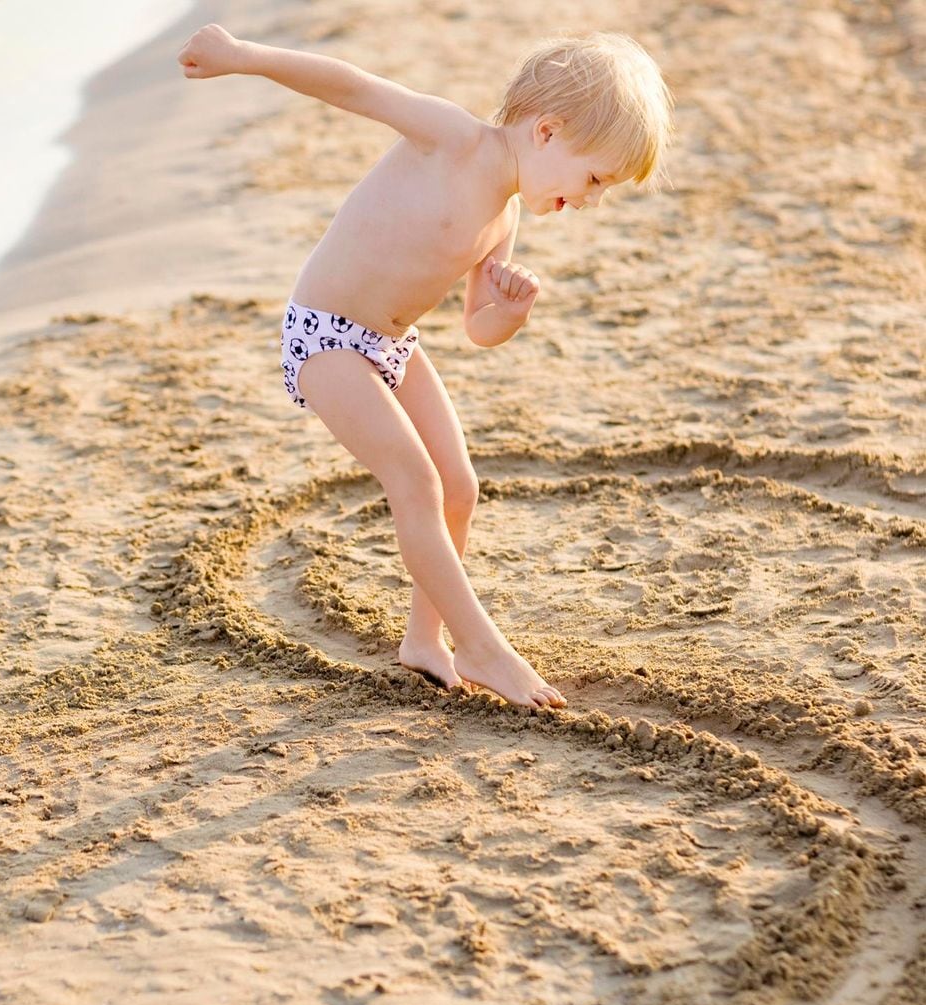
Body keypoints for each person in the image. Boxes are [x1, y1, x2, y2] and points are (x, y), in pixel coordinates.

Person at [178, 25, 674, 708]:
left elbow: (476, 329)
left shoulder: (502, 221)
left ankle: (424, 639)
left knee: (458, 487)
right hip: (324, 337)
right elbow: (353, 86)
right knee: (412, 478)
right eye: (594, 180)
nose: (590, 201)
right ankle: (482, 647)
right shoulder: (452, 138)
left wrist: (507, 314)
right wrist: (245, 59)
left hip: (390, 346)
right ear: (547, 132)